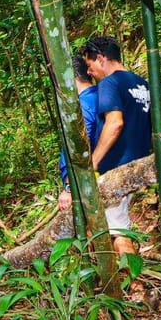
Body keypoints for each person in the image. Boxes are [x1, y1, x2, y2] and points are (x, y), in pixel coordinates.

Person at [80, 36, 151, 256]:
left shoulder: (109, 83)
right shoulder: (142, 83)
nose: (89, 73)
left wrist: (93, 161)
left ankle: (135, 286)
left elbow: (115, 123)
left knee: (118, 232)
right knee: (116, 224)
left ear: (101, 58)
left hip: (118, 169)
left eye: (89, 66)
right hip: (140, 165)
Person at [58, 55, 100, 212]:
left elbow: (80, 146)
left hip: (85, 183)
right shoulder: (101, 95)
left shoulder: (81, 105)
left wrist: (70, 188)